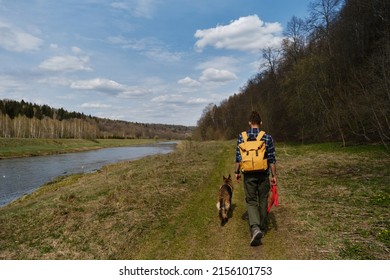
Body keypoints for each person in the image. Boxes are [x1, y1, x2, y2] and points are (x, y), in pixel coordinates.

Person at [235, 111, 277, 246]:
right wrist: (274, 175)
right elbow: (271, 158)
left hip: (248, 174)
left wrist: (236, 172)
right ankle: (263, 226)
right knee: (263, 198)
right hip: (263, 173)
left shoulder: (242, 137)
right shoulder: (267, 137)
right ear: (261, 123)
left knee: (251, 200)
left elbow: (238, 157)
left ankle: (255, 228)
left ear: (249, 123)